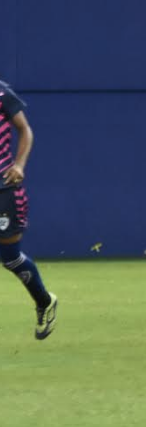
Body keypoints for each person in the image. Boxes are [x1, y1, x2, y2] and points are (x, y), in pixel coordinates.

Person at [0, 79, 57, 340]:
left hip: (5, 189)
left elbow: (25, 130)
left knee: (10, 257)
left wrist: (20, 165)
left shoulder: (2, 93)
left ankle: (44, 301)